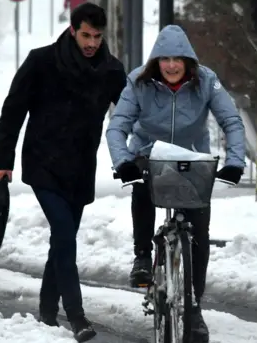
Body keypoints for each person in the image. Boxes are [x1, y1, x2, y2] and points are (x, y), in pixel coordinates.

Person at [0, 3, 126, 342]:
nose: (92, 42)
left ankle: (47, 311)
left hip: (81, 167)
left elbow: (128, 112)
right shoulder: (42, 61)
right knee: (65, 235)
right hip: (43, 162)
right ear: (72, 30)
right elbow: (13, 108)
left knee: (62, 241)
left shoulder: (111, 70)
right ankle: (76, 316)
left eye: (97, 36)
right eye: (86, 35)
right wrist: (3, 161)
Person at [105, 24, 246, 343]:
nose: (171, 65)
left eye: (177, 59)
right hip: (148, 154)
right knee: (141, 184)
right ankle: (142, 255)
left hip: (191, 159)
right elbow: (117, 127)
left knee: (199, 231)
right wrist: (123, 160)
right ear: (156, 60)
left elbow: (232, 122)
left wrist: (235, 162)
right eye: (164, 58)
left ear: (188, 61)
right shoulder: (138, 81)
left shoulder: (207, 81)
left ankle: (194, 308)